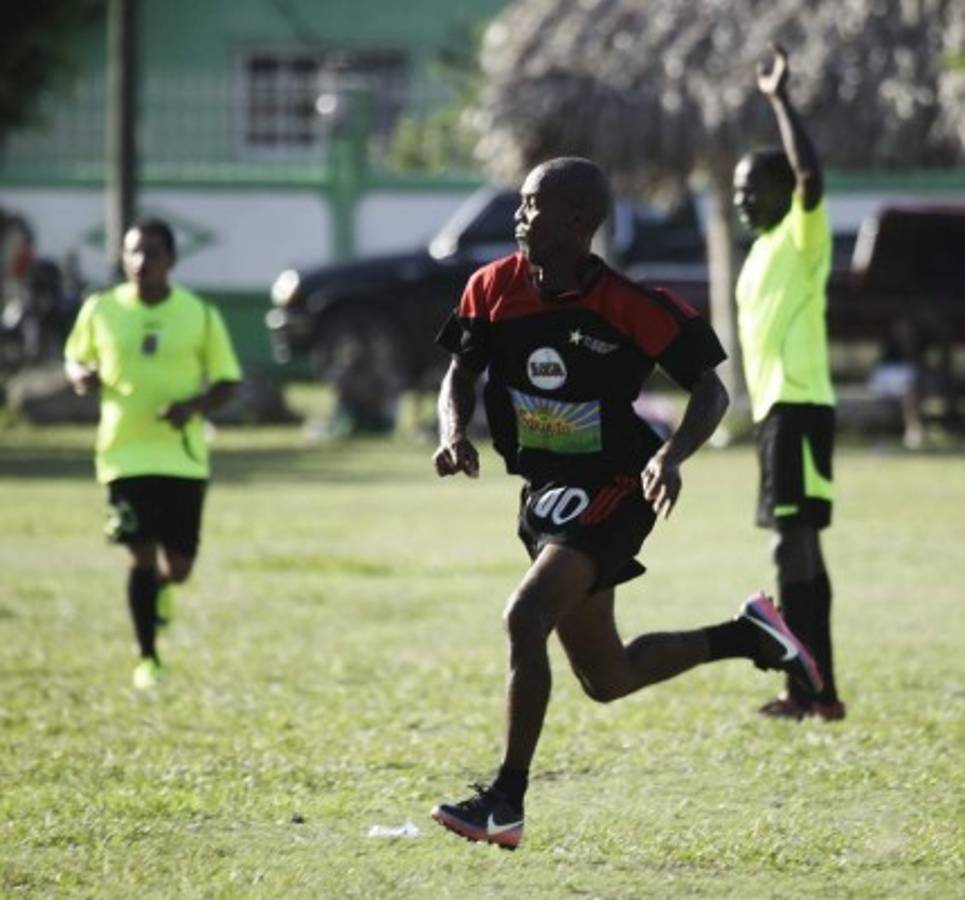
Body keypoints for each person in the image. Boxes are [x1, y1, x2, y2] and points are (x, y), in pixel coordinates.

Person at [429, 156, 823, 849]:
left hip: (617, 483)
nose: (519, 215)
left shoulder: (629, 304)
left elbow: (710, 391)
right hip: (545, 494)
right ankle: (747, 636)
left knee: (525, 616)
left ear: (578, 221)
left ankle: (505, 802)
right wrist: (452, 432)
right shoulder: (490, 288)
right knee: (607, 677)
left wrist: (670, 456)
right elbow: (460, 372)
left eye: (533, 204)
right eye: (522, 202)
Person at [64, 219, 242, 690]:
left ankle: (163, 588)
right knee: (139, 552)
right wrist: (80, 375)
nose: (142, 262)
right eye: (134, 252)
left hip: (182, 457)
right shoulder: (100, 309)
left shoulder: (199, 314)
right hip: (123, 454)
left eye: (153, 253)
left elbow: (228, 381)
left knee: (178, 566)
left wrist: (192, 407)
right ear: (123, 258)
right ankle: (148, 658)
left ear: (172, 260)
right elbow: (75, 356)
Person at [733, 45, 845, 722]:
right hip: (779, 414)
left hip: (798, 407)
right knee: (801, 546)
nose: (742, 200)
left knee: (790, 546)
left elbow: (810, 176)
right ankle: (817, 690)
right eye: (737, 192)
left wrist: (779, 101)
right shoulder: (759, 253)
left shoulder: (802, 237)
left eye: (753, 189)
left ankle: (806, 689)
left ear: (782, 191)